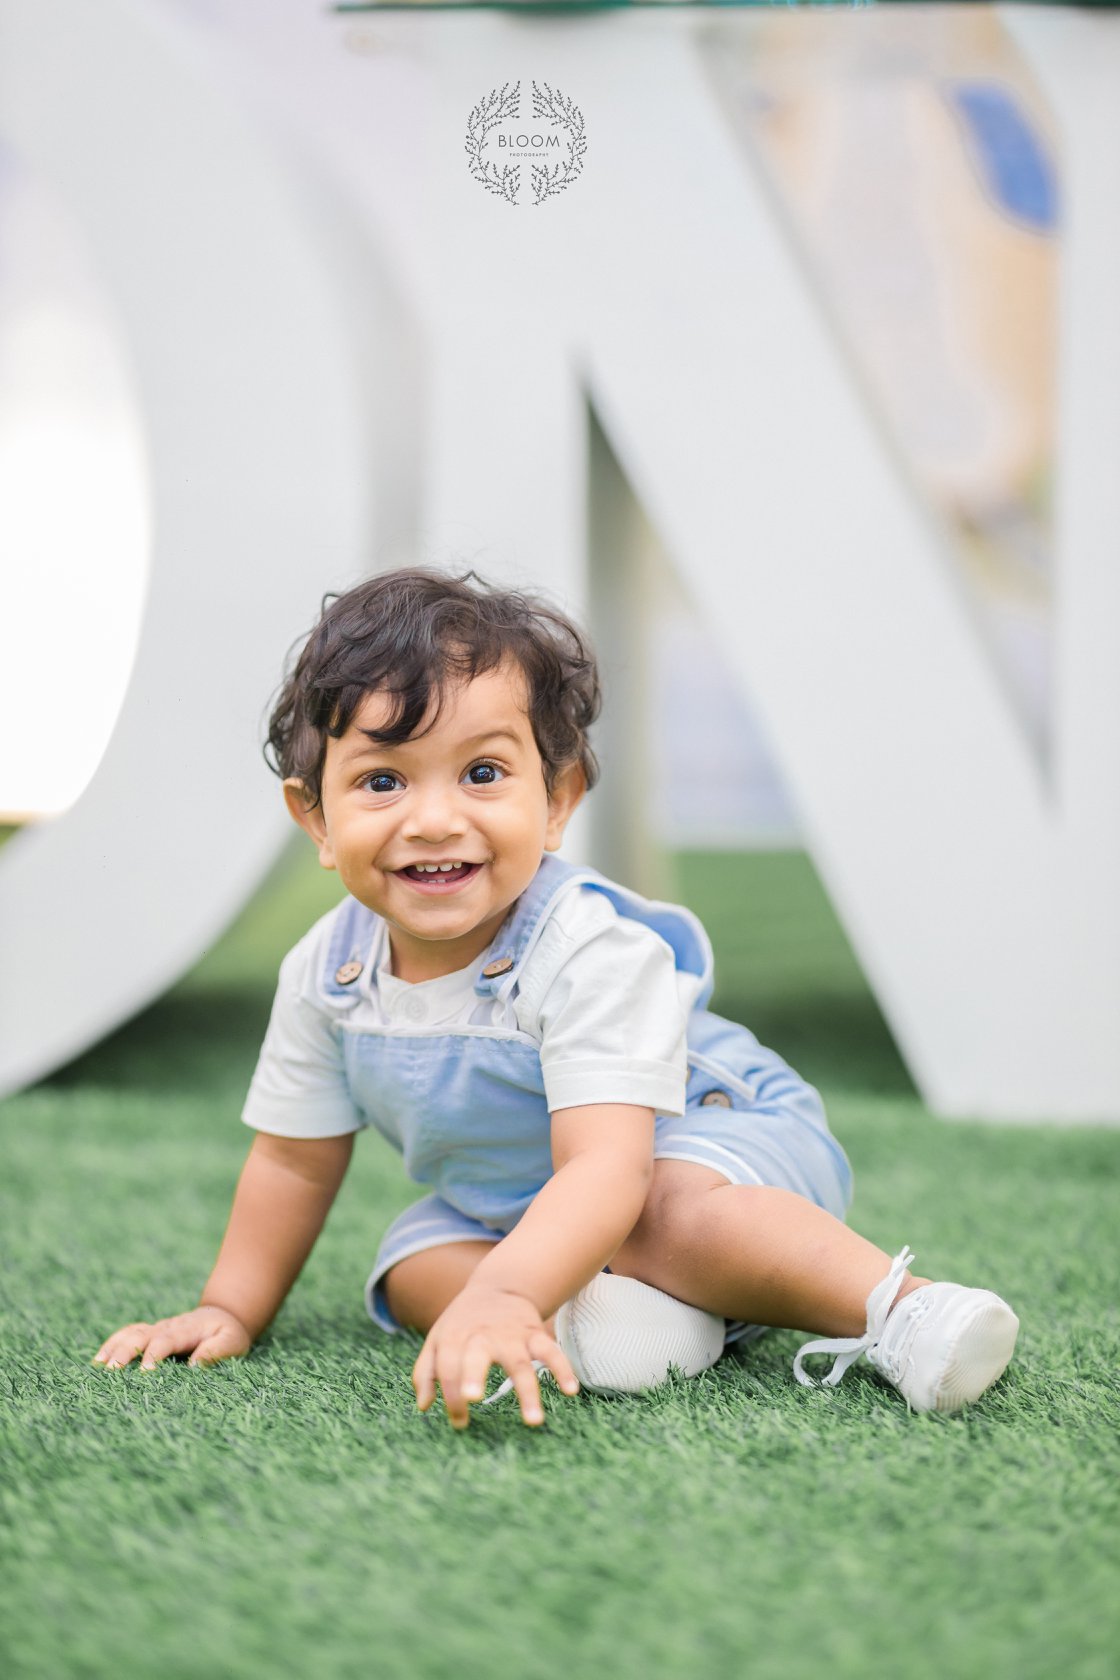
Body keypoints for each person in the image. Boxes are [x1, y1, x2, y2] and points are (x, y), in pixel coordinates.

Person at [93, 568, 1020, 1428]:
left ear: (559, 799)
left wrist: (503, 1289)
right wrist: (230, 1307)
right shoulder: (327, 974)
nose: (434, 819)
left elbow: (606, 1170)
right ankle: (617, 1324)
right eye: (381, 781)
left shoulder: (586, 951)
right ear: (317, 820)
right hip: (525, 1202)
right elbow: (293, 1165)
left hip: (707, 1148)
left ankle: (905, 1312)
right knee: (412, 1264)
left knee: (660, 1213)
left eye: (483, 773)